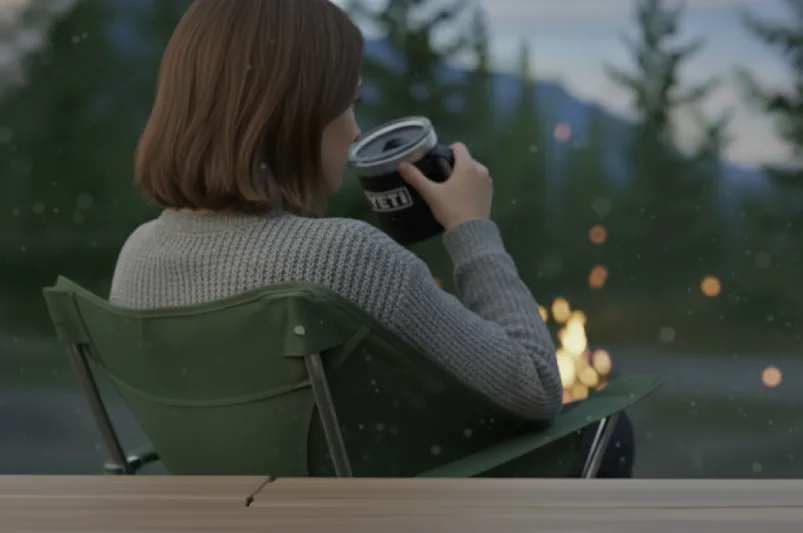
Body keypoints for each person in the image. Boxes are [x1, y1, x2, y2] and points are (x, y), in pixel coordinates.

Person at [109, 0, 634, 477]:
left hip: (228, 513)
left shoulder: (135, 258)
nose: (356, 132)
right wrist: (472, 230)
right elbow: (536, 387)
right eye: (348, 103)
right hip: (358, 517)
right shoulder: (345, 258)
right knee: (604, 434)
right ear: (297, 110)